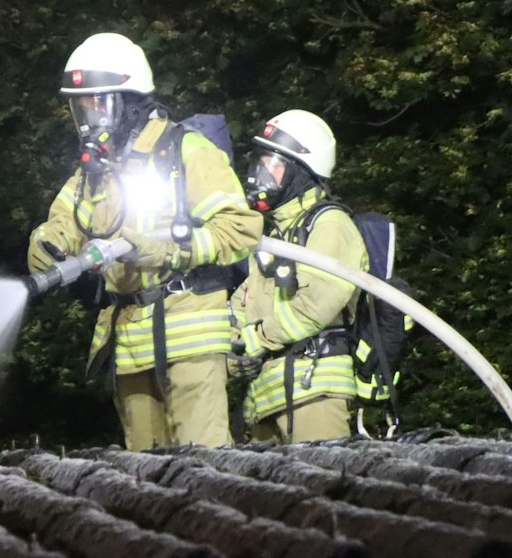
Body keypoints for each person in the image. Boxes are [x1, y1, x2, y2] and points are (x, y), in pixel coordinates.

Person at [26, 32, 259, 449]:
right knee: (147, 479)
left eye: (98, 103)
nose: (89, 117)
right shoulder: (92, 173)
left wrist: (164, 250)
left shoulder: (186, 151)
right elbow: (63, 223)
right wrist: (46, 245)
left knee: (206, 470)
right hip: (130, 340)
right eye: (81, 107)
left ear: (130, 101)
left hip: (189, 336)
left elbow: (239, 230)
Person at [229, 108, 368, 443]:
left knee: (322, 488)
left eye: (272, 165)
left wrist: (254, 340)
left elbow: (314, 305)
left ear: (300, 173)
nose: (259, 175)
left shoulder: (330, 225)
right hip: (266, 397)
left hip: (314, 391)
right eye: (259, 162)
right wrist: (231, 353)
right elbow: (242, 302)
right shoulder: (276, 237)